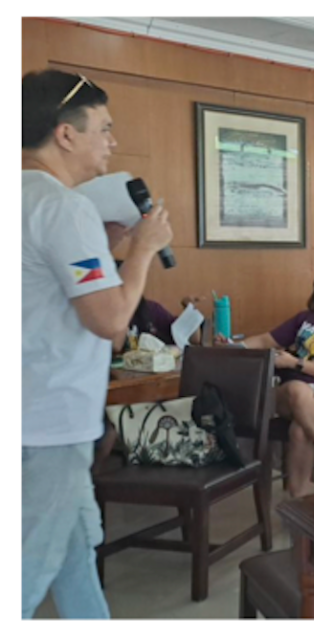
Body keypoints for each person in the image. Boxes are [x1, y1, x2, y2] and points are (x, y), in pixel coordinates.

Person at [22, 70, 173, 619]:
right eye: (104, 128)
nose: (112, 141)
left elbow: (52, 294)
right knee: (26, 571)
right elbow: (110, 320)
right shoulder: (64, 208)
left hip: (27, 412)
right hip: (49, 421)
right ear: (65, 134)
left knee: (74, 554)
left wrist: (108, 254)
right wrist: (142, 251)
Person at [217, 264, 314, 498]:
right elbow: (266, 340)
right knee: (298, 390)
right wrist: (234, 346)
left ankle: (297, 504)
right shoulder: (304, 318)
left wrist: (295, 363)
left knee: (301, 430)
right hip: (293, 387)